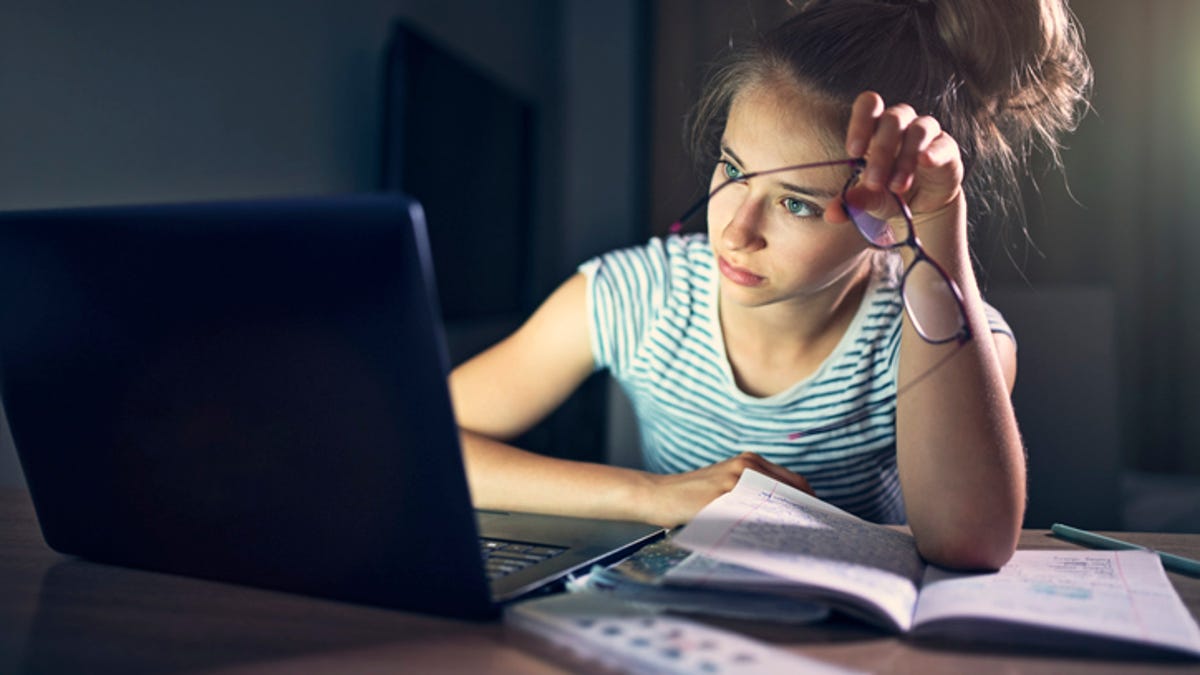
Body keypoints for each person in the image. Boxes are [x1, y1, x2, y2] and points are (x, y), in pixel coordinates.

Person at [449, 0, 1092, 570]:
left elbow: (968, 542)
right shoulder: (634, 295)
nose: (735, 232)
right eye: (733, 169)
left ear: (885, 214)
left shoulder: (940, 333)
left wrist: (937, 224)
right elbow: (428, 436)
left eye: (797, 205)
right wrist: (648, 495)